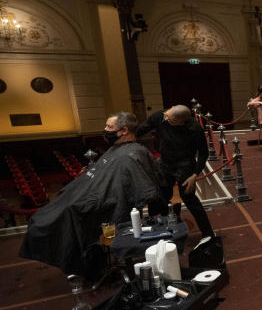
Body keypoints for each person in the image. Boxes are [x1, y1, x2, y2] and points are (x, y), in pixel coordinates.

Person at [19, 112, 164, 279]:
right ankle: (87, 258)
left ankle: (85, 258)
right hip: (91, 198)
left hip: (106, 206)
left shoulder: (130, 155)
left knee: (58, 217)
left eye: (109, 127)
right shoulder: (116, 150)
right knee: (46, 216)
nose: (105, 130)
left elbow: (135, 190)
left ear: (124, 130)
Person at [137, 104, 215, 239]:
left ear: (180, 121)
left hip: (185, 165)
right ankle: (156, 231)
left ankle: (208, 233)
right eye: (167, 113)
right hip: (165, 163)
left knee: (190, 199)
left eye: (169, 118)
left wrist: (194, 175)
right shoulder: (160, 116)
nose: (165, 117)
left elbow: (203, 154)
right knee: (159, 198)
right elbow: (141, 130)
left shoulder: (195, 128)